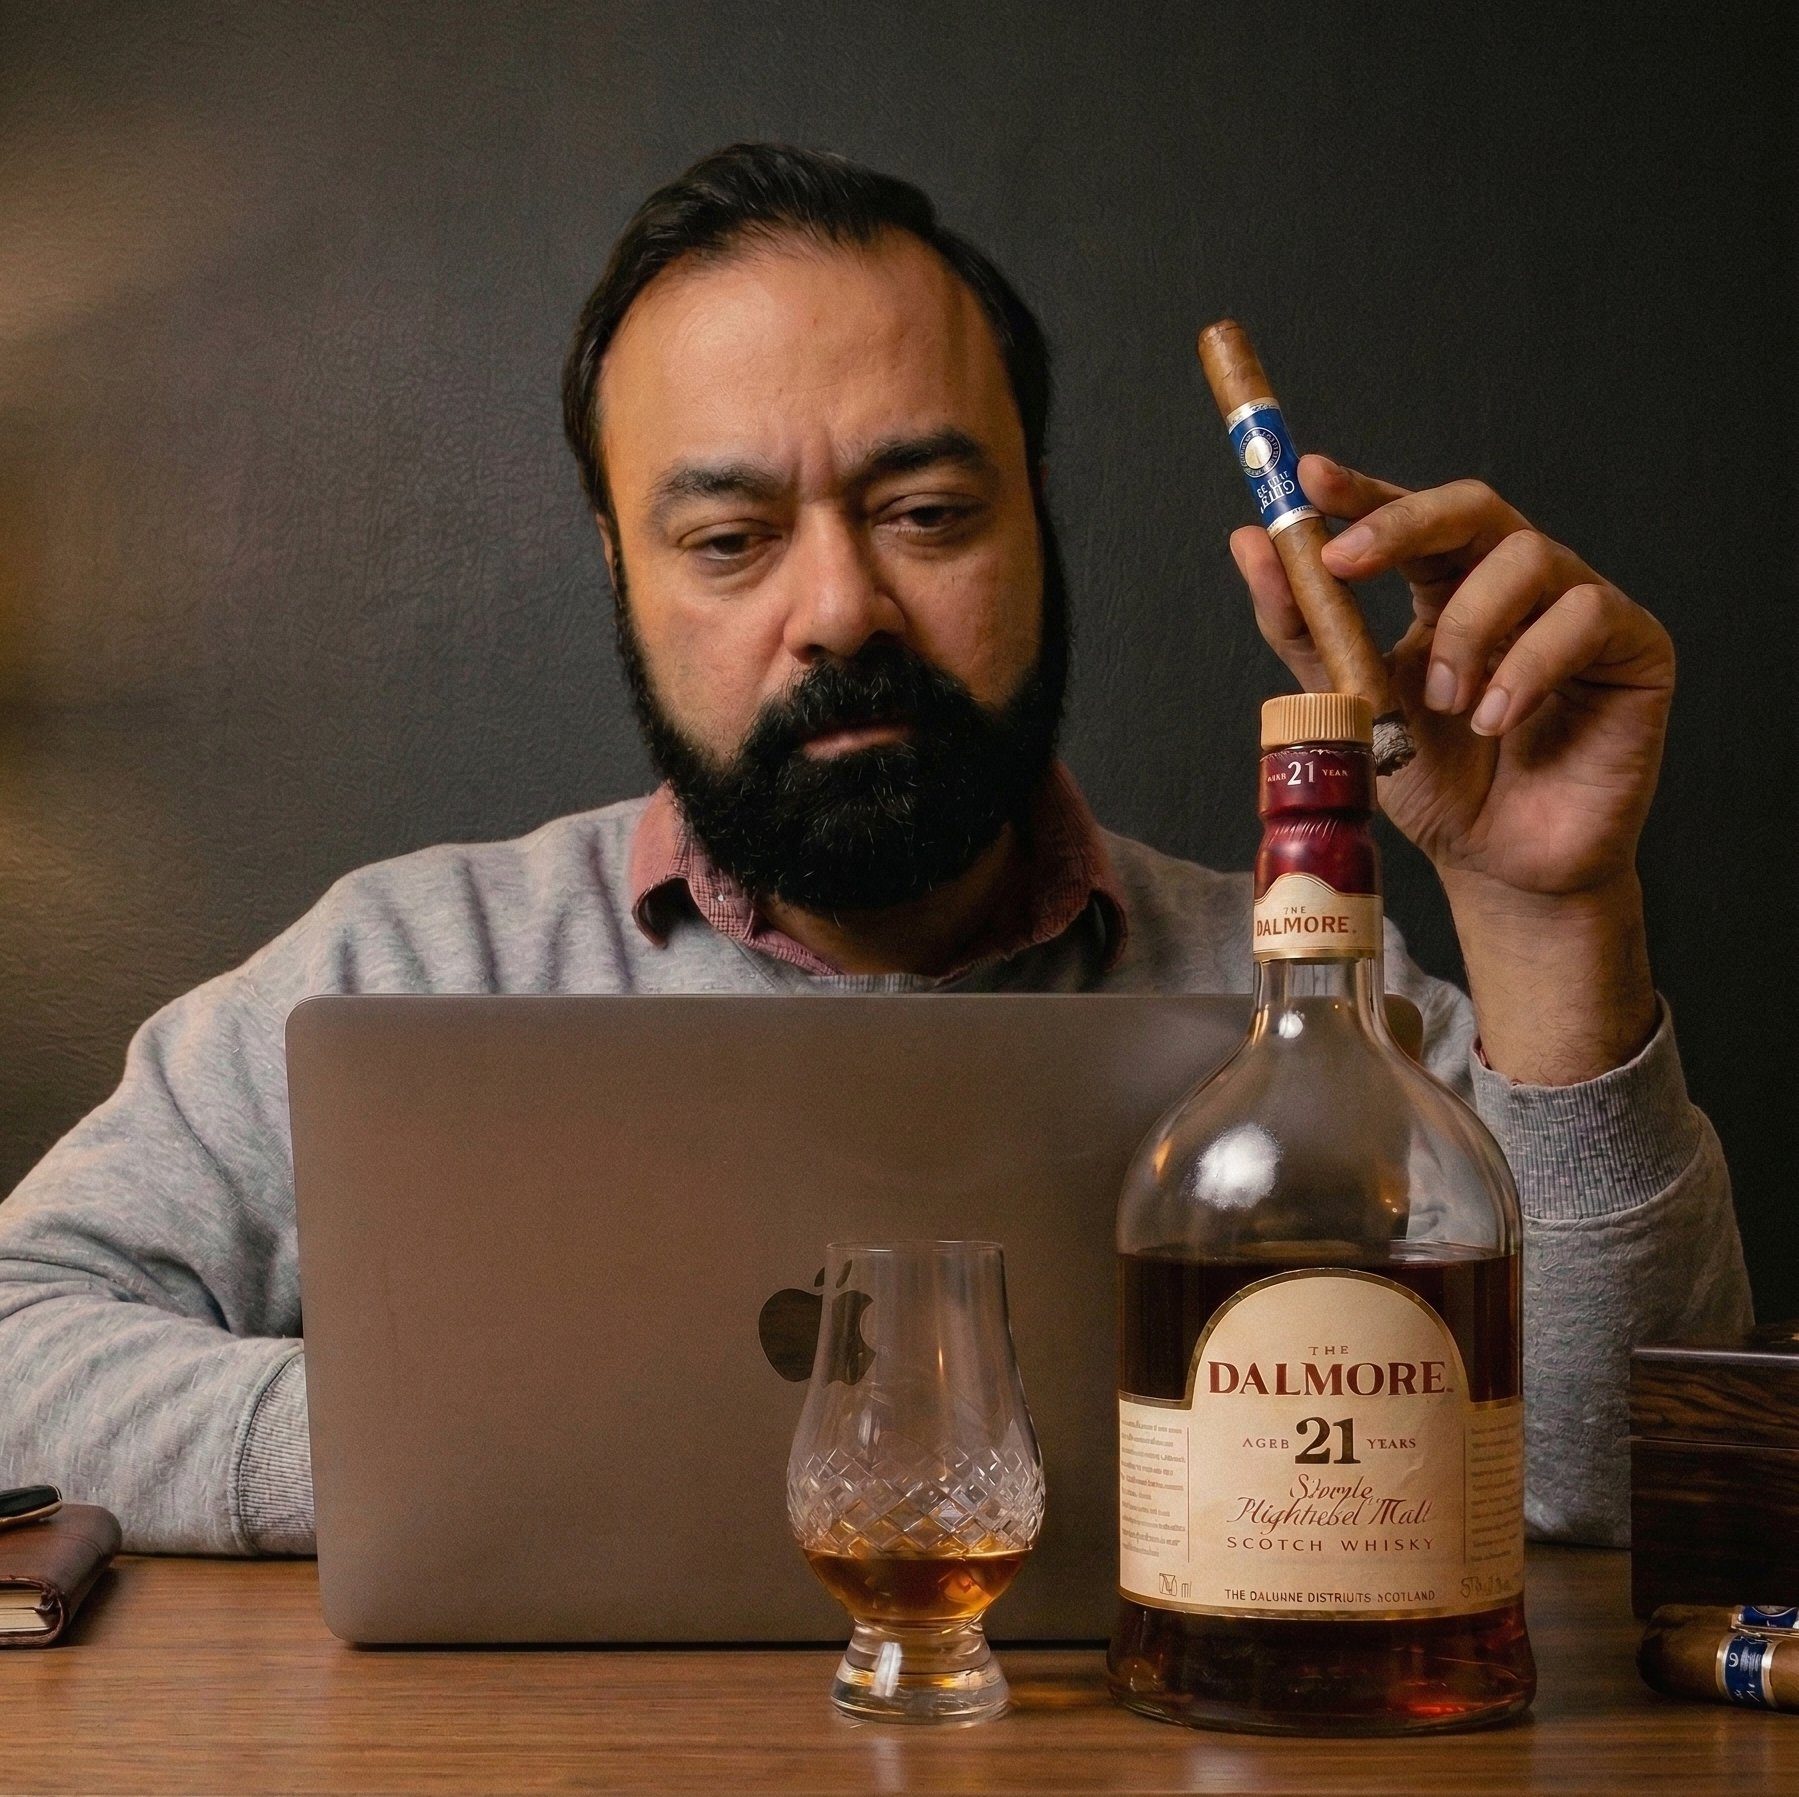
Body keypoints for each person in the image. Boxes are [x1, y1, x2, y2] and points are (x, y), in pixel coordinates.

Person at [0, 143, 1748, 1556]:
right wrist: (397, 1451)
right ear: (623, 572)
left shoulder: (1311, 1018)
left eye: (924, 513)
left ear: (1041, 529)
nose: (839, 606)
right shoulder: (403, 966)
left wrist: (1547, 911)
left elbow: (1610, 1481)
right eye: (732, 534)